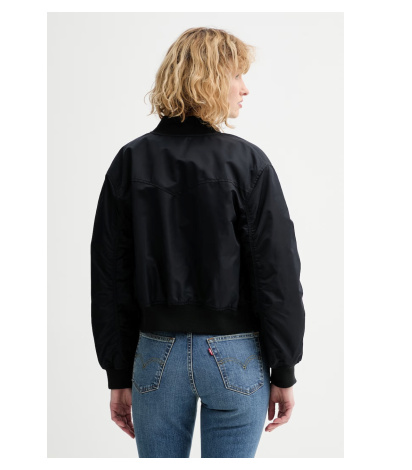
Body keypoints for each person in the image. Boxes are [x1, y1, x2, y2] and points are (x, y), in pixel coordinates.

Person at [90, 27, 306, 458]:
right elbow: (276, 273)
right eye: (236, 76)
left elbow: (110, 276)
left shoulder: (130, 160)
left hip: (155, 355)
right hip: (236, 355)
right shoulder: (247, 162)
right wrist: (284, 367)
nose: (245, 88)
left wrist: (118, 372)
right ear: (209, 80)